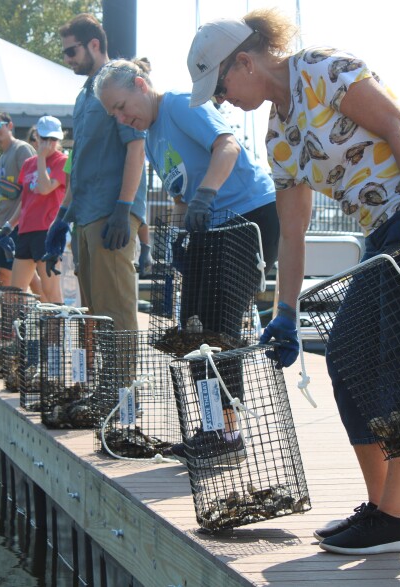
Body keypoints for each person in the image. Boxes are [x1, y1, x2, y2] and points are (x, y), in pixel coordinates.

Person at [188, 10, 400, 554]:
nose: (221, 100)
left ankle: (396, 518)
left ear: (245, 62)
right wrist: (285, 313)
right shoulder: (279, 136)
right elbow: (293, 237)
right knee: (346, 354)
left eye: (221, 85)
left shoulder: (323, 68)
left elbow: (396, 127)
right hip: (385, 227)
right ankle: (383, 511)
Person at [95, 57, 280, 464]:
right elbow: (180, 194)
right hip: (207, 228)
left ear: (141, 85)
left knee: (218, 331)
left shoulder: (178, 103)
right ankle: (212, 427)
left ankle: (229, 436)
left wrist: (207, 195)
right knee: (193, 331)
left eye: (122, 107)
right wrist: (180, 239)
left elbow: (227, 145)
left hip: (247, 216)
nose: (122, 118)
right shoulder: (152, 135)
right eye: (114, 115)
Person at [46, 13, 148, 331]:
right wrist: (61, 219)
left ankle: (123, 382)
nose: (67, 59)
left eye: (71, 51)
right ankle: (106, 381)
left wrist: (124, 209)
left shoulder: (118, 81)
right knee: (93, 314)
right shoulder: (83, 95)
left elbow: (136, 147)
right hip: (85, 217)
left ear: (94, 44)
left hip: (110, 215)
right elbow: (79, 165)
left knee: (115, 310)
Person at [0, 110, 42, 296]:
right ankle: (14, 318)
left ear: (9, 125)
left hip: (14, 226)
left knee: (20, 275)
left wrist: (14, 223)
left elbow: (31, 189)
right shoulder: (2, 157)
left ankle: (49, 312)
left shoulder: (21, 149)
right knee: (6, 274)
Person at [9, 116, 68, 303]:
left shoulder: (63, 161)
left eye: (53, 139)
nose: (49, 144)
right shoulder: (28, 164)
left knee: (51, 292)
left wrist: (42, 158)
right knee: (15, 292)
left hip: (48, 232)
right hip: (26, 231)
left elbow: (44, 189)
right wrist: (9, 225)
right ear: (36, 136)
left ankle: (54, 333)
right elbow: (25, 200)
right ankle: (14, 331)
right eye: (44, 139)